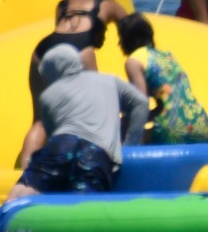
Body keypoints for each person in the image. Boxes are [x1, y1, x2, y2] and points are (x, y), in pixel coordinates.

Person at [8, 44, 148, 199]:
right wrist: (130, 143)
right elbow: (141, 103)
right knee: (82, 201)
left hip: (60, 145)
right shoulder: (109, 80)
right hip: (97, 150)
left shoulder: (48, 95)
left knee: (27, 188)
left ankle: (7, 214)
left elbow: (51, 133)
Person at [116, 12, 208, 145]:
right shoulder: (167, 56)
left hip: (173, 129)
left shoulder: (134, 61)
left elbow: (140, 104)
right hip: (200, 123)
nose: (118, 43)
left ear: (128, 38)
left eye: (120, 37)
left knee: (124, 132)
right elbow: (169, 104)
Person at [48, 0, 128, 66]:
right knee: (90, 74)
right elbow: (131, 28)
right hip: (81, 50)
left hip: (46, 49)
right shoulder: (107, 4)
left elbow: (62, 32)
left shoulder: (63, 5)